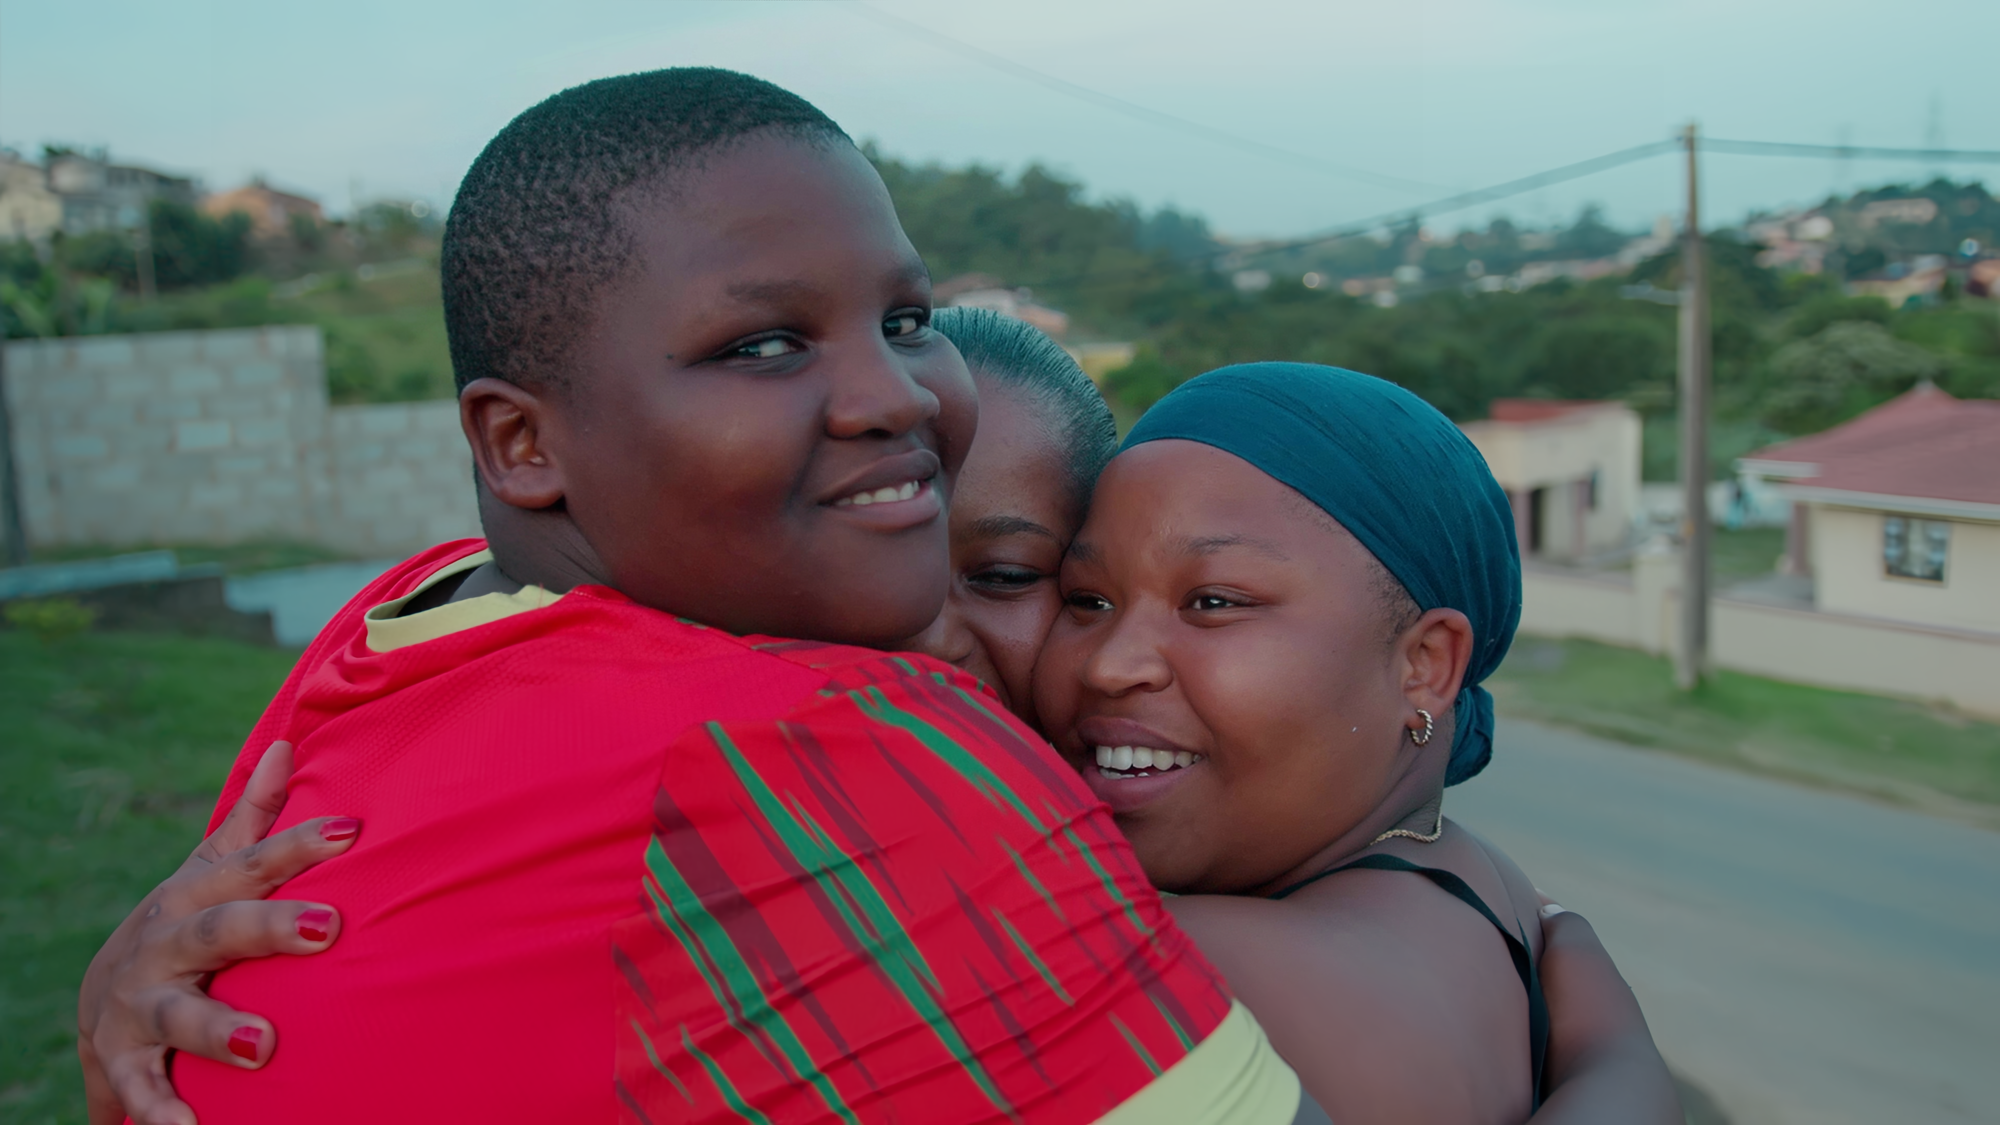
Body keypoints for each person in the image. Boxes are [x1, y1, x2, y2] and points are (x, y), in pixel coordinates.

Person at [77, 69, 1302, 1125]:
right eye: (762, 346)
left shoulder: (407, 617)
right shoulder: (842, 749)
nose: (899, 395)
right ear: (518, 444)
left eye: (904, 319)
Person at [1033, 361, 1680, 1123]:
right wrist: (1620, 1055)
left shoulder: (1191, 967)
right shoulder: (1491, 886)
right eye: (1088, 599)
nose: (1110, 665)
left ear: (1424, 664)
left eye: (1212, 601)